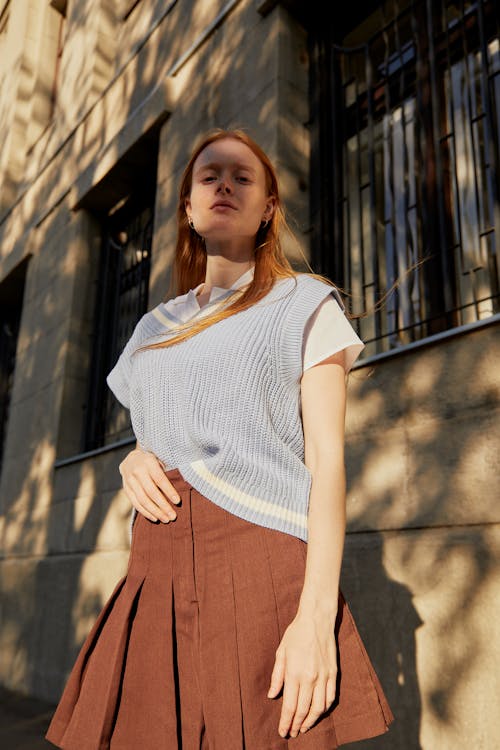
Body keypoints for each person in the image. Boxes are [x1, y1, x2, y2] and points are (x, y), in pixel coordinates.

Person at [46, 128, 394, 749]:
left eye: (243, 176)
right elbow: (157, 429)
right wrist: (134, 458)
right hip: (154, 565)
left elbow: (328, 464)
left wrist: (316, 618)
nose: (224, 185)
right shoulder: (153, 328)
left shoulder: (303, 304)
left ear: (267, 208)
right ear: (187, 207)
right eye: (210, 176)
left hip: (259, 554)